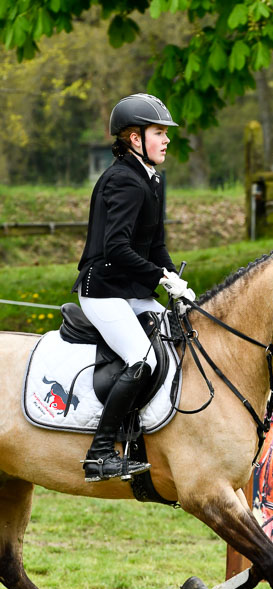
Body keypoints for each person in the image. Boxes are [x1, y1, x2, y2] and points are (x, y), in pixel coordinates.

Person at [71, 93, 194, 482]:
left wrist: (176, 282)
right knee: (144, 359)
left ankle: (147, 434)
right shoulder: (123, 181)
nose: (166, 139)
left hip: (133, 291)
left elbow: (156, 246)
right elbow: (117, 249)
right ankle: (101, 452)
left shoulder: (152, 180)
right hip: (103, 290)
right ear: (134, 138)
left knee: (181, 336)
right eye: (159, 132)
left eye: (165, 133)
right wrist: (160, 278)